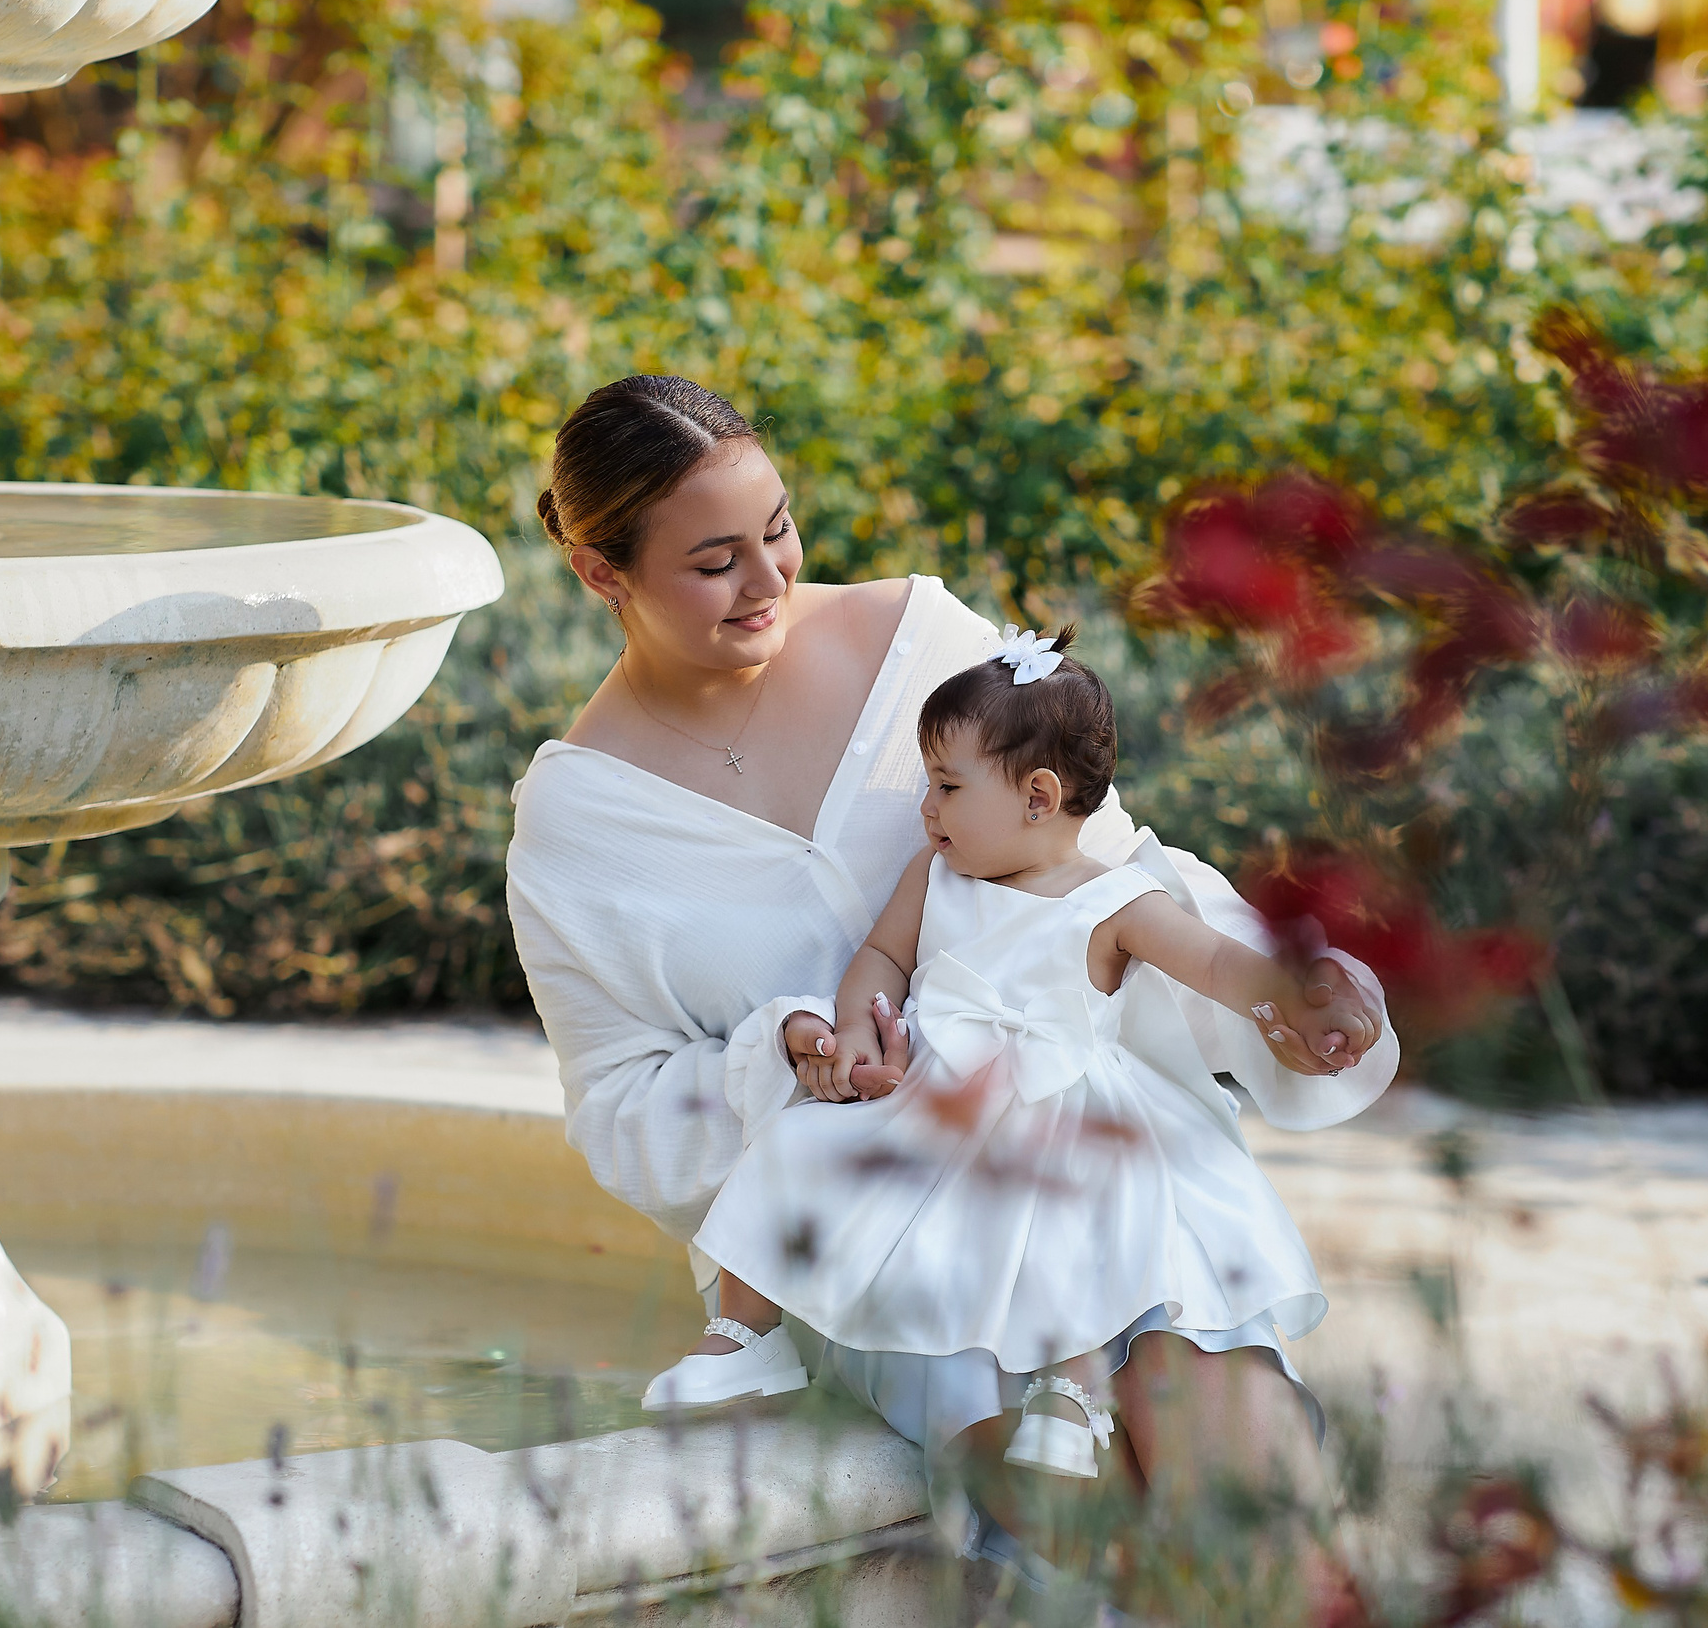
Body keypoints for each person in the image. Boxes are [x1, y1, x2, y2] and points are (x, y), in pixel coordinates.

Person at [504, 374, 1398, 1566]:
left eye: (777, 529)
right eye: (714, 562)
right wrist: (783, 1060)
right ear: (601, 573)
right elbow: (616, 1107)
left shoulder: (924, 642)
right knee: (1087, 1551)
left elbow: (1106, 873)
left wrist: (1275, 999)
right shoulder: (579, 824)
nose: (770, 580)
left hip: (1112, 1174)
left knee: (1255, 1519)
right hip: (891, 1248)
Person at [648, 629, 1367, 1485]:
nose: (927, 808)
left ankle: (1072, 1393)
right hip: (940, 1094)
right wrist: (855, 1025)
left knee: (1083, 1213)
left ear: (1038, 796)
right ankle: (746, 1335)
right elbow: (882, 958)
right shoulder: (937, 874)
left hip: (1058, 1099)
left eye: (948, 787)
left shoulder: (1113, 898)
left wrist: (1295, 990)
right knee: (796, 1148)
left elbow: (1214, 961)